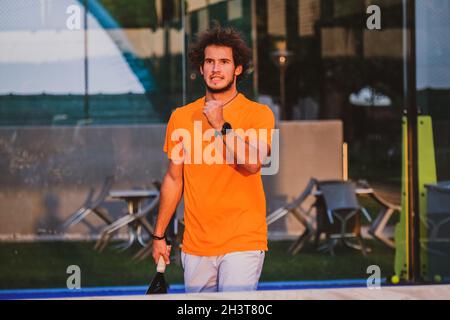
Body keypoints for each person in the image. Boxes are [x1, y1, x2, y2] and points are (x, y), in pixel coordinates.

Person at [152, 26, 275, 293]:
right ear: (201, 67)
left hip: (243, 241)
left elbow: (253, 162)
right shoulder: (181, 117)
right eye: (209, 61)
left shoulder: (258, 114)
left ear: (238, 69)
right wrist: (159, 234)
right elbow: (174, 180)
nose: (215, 69)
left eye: (224, 62)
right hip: (196, 245)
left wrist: (221, 126)